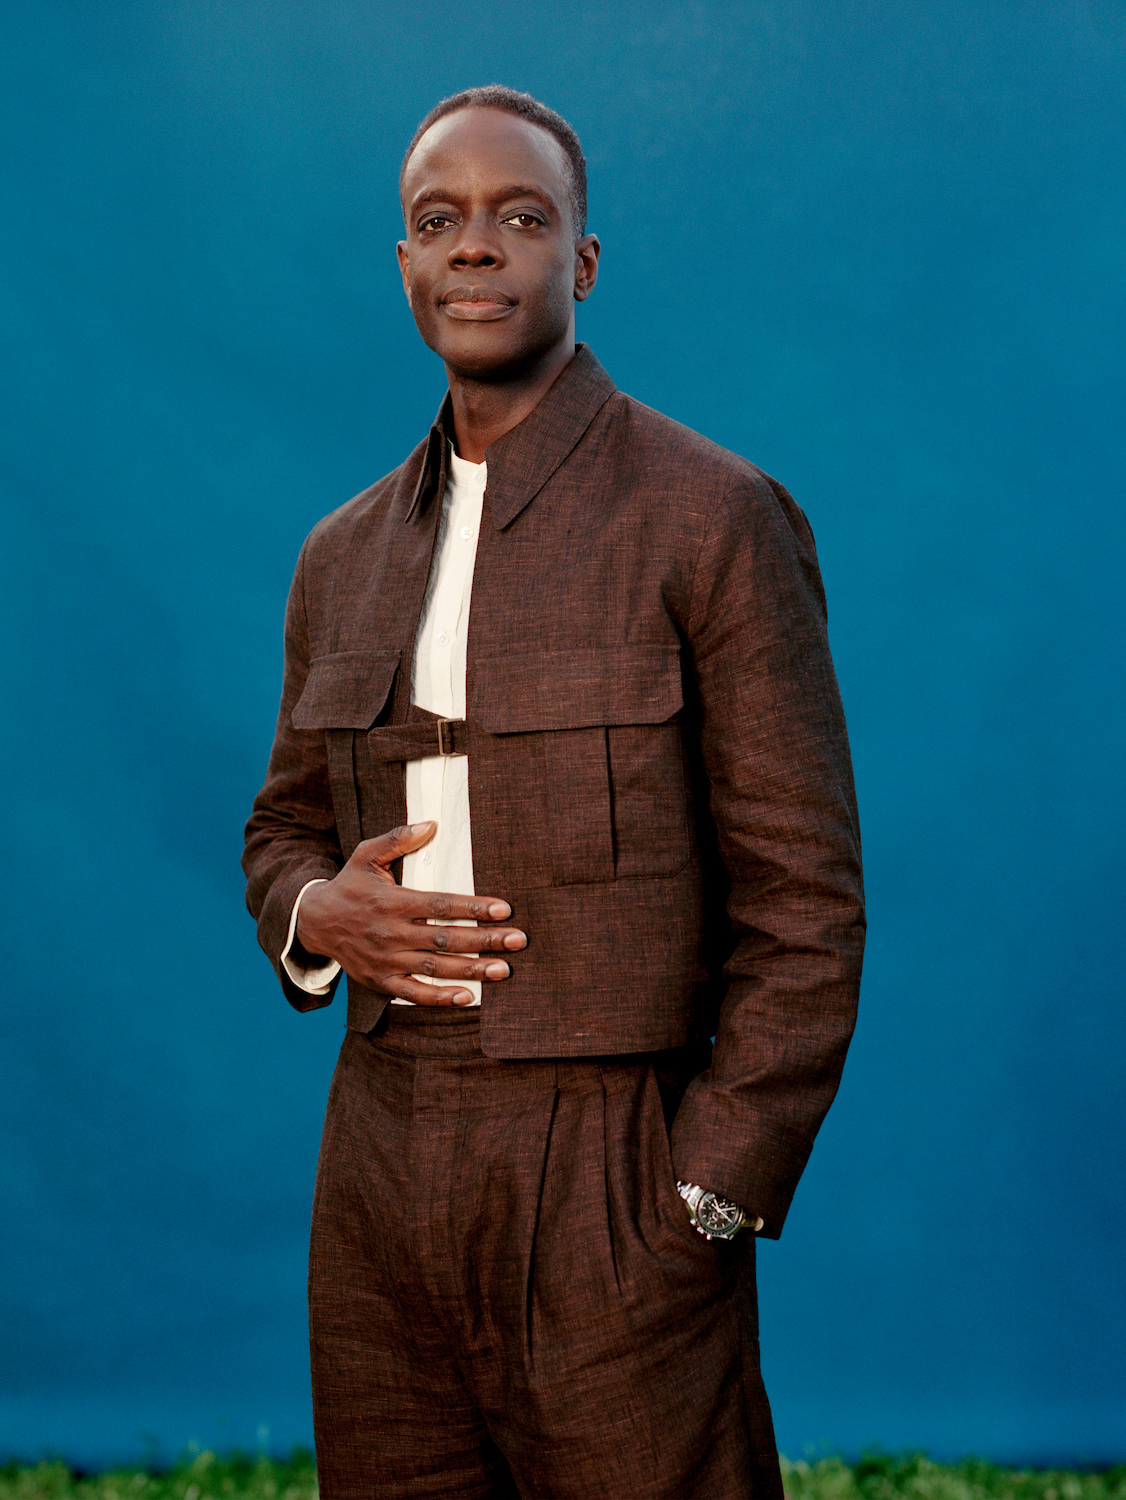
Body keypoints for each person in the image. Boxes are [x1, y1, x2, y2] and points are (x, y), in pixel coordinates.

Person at [243, 85, 864, 1500]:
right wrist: (316, 915)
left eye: (521, 216)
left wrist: (702, 1196)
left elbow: (807, 906)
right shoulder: (339, 556)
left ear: (582, 262)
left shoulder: (709, 517)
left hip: (610, 1162)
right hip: (381, 1160)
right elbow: (281, 829)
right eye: (437, 222)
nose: (476, 248)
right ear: (402, 265)